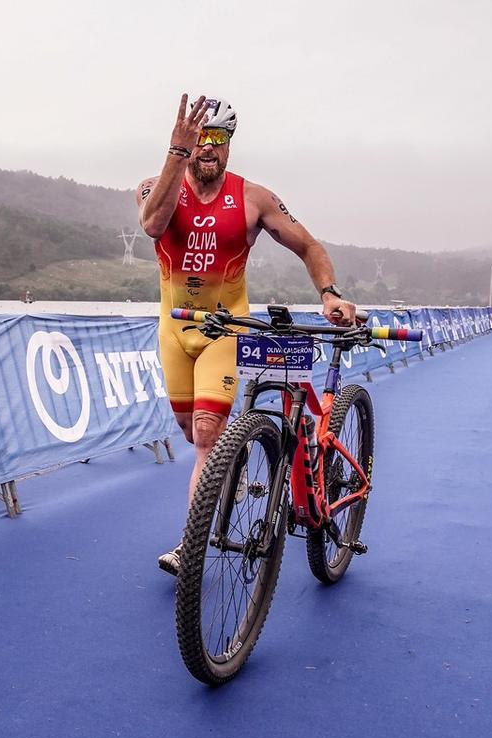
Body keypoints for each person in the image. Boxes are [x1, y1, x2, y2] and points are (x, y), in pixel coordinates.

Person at [136, 94, 357, 575]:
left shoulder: (255, 198)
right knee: (188, 430)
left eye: (218, 138)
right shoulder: (156, 187)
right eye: (200, 138)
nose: (208, 147)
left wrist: (330, 293)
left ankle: (190, 549)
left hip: (226, 327)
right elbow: (153, 224)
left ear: (230, 145)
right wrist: (177, 151)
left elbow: (309, 244)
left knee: (206, 434)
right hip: (175, 330)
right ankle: (223, 476)